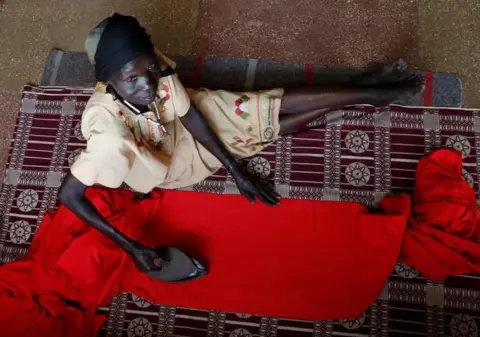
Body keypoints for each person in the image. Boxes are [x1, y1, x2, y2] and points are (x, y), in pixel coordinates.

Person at [59, 13, 424, 275]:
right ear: (108, 81)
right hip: (173, 161)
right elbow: (70, 196)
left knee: (262, 108)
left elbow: (189, 115)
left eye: (150, 70)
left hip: (184, 124)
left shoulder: (150, 69)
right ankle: (367, 91)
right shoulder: (107, 134)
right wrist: (132, 247)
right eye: (133, 80)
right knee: (266, 128)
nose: (149, 86)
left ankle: (370, 90)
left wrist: (235, 171)